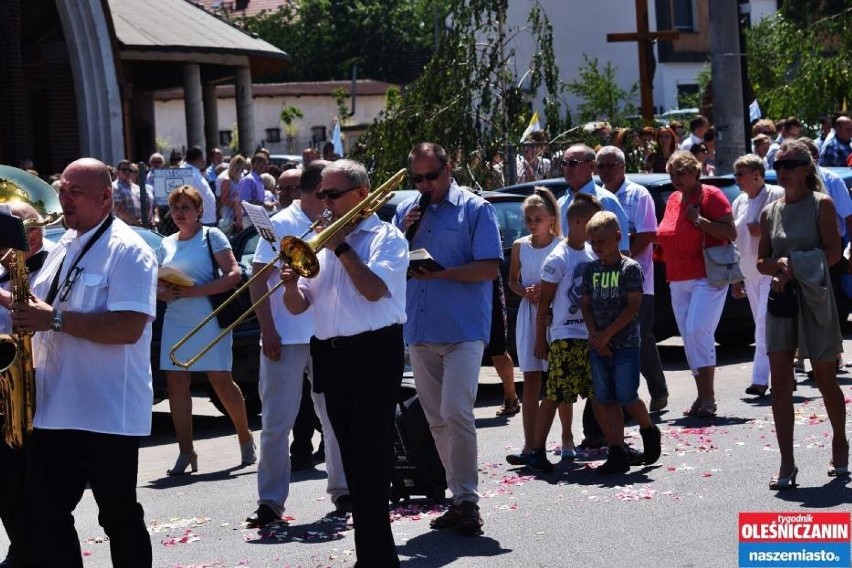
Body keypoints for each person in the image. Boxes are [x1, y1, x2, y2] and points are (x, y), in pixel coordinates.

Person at [9, 158, 156, 566]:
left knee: (118, 517)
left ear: (105, 196)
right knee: (43, 516)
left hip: (106, 412)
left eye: (75, 191)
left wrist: (52, 319)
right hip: (56, 409)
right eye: (62, 189)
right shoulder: (66, 244)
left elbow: (128, 327)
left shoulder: (129, 250)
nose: (63, 199)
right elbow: (37, 308)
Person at [281, 159, 407, 566]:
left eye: (332, 195)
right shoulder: (319, 242)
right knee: (351, 461)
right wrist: (287, 285)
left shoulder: (387, 238)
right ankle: (371, 554)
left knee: (370, 458)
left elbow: (373, 291)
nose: (324, 204)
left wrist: (341, 248)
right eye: (321, 196)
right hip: (331, 356)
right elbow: (300, 305)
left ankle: (377, 557)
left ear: (361, 196)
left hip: (373, 352)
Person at [394, 142, 502, 536]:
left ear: (448, 168)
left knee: (457, 411)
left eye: (431, 176)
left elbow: (490, 268)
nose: (425, 184)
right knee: (437, 420)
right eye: (417, 178)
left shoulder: (475, 209)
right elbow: (387, 264)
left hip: (463, 330)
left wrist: (440, 275)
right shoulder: (407, 210)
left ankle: (469, 500)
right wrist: (401, 232)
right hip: (420, 329)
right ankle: (457, 499)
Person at [246, 160, 349, 528]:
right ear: (319, 188)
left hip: (326, 333)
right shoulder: (281, 223)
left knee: (334, 418)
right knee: (277, 422)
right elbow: (258, 282)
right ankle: (270, 502)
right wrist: (268, 329)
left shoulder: (336, 219)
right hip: (286, 336)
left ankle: (343, 491)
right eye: (331, 189)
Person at [756, 140, 848, 489]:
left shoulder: (821, 204)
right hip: (782, 301)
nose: (784, 171)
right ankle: (787, 461)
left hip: (815, 298)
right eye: (778, 165)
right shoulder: (770, 212)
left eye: (792, 163)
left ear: (807, 168)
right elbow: (760, 261)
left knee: (825, 378)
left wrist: (795, 265)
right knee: (780, 383)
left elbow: (834, 253)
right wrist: (776, 266)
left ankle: (840, 441)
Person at [157, 185, 255, 475]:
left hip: (210, 315)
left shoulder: (213, 235)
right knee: (175, 383)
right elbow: (158, 282)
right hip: (176, 316)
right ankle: (186, 451)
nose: (179, 213)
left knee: (221, 381)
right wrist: (162, 292)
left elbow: (234, 275)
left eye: (186, 207)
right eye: (175, 208)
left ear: (199, 211)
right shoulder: (166, 243)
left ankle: (245, 435)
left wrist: (195, 291)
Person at [579, 211, 662, 474]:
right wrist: (595, 335)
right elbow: (585, 305)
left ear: (617, 237)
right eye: (592, 242)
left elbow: (632, 306)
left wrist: (608, 334)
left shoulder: (630, 268)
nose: (597, 246)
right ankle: (616, 450)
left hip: (625, 344)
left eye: (602, 240)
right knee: (604, 399)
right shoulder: (590, 269)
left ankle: (648, 429)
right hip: (598, 345)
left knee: (626, 395)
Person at [656, 151, 736, 417]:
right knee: (689, 338)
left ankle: (709, 397)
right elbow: (666, 234)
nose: (676, 178)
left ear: (695, 172)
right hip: (677, 277)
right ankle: (702, 396)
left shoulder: (711, 196)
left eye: (681, 172)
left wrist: (700, 221)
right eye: (672, 174)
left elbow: (730, 232)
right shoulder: (673, 199)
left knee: (697, 330)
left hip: (706, 275)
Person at [525, 194, 600, 473]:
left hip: (590, 337)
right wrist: (540, 340)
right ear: (579, 221)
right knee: (556, 394)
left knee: (600, 393)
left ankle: (616, 445)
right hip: (565, 338)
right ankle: (536, 449)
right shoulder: (559, 257)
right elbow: (544, 304)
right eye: (594, 222)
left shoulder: (592, 253)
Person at [0, 203, 55, 567]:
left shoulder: (48, 266)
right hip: (4, 387)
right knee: (5, 487)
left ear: (30, 237)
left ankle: (32, 552)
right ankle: (20, 549)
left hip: (36, 390)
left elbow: (40, 311)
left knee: (31, 488)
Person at [596, 146, 669, 412]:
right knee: (614, 337)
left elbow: (647, 235)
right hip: (605, 280)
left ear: (622, 166)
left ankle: (658, 390)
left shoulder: (639, 195)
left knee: (641, 336)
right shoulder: (599, 196)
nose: (604, 171)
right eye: (600, 166)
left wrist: (621, 261)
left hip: (638, 279)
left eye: (609, 165)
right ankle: (622, 398)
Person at [505, 187, 562, 465]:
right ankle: (529, 445)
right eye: (529, 219)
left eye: (538, 218)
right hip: (529, 315)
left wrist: (548, 292)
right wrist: (524, 291)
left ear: (551, 218)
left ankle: (565, 439)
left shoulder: (560, 245)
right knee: (530, 380)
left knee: (556, 379)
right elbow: (512, 280)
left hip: (553, 315)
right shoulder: (519, 246)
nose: (532, 223)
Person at [730, 155, 784, 397]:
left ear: (757, 174)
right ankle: (784, 376)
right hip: (749, 272)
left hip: (771, 270)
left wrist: (763, 231)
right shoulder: (739, 201)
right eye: (736, 174)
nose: (737, 179)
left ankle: (760, 380)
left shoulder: (775, 194)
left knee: (764, 324)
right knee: (764, 327)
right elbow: (734, 241)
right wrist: (736, 277)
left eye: (741, 174)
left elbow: (785, 229)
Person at [112, 160, 156, 227]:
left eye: (130, 170)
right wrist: (135, 222)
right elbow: (118, 208)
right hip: (124, 227)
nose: (127, 172)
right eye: (124, 170)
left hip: (140, 225)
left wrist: (146, 220)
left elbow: (146, 205)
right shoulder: (114, 187)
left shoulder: (137, 188)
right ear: (117, 172)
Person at [182, 147, 218, 228]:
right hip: (200, 219)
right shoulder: (187, 172)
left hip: (205, 217)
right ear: (199, 158)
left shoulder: (193, 170)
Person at [235, 153, 269, 232]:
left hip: (258, 218)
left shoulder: (259, 179)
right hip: (250, 218)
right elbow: (245, 201)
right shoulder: (248, 180)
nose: (266, 166)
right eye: (264, 164)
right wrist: (264, 204)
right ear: (256, 163)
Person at [216, 154, 247, 235]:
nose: (242, 171)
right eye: (241, 168)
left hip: (236, 213)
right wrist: (237, 204)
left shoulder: (238, 177)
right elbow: (224, 200)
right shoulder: (227, 180)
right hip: (228, 214)